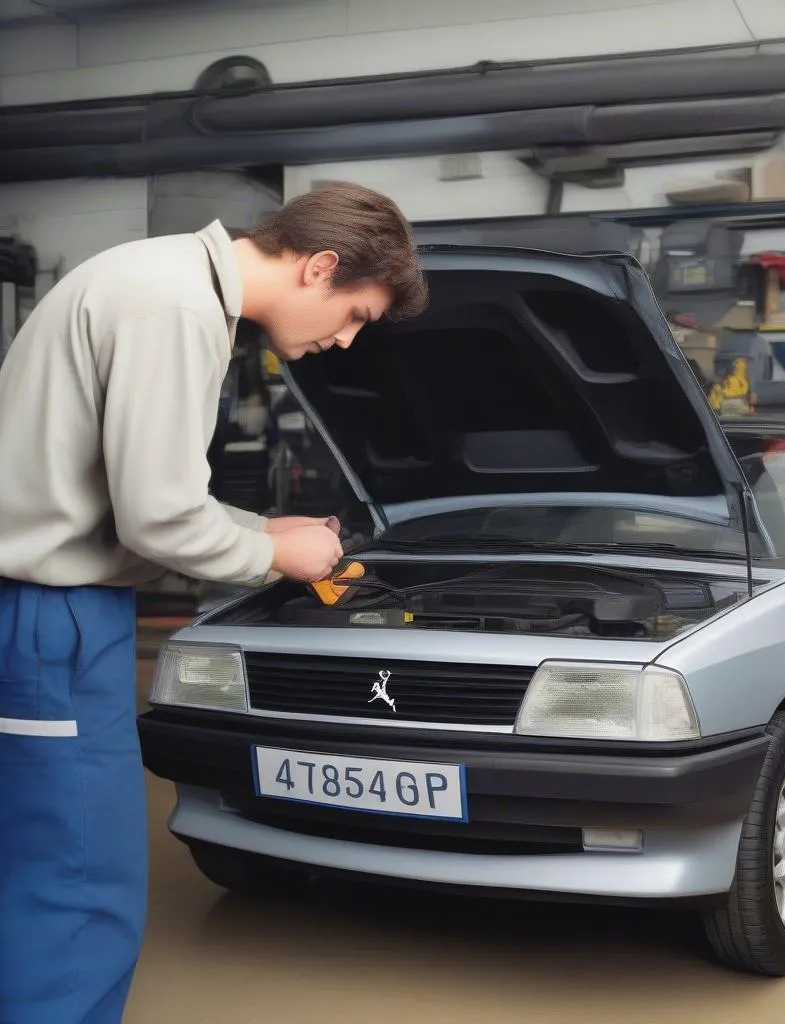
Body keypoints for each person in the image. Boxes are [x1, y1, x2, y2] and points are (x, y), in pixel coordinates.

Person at [0, 181, 428, 1024]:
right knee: (77, 884)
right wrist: (276, 551)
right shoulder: (176, 307)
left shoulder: (154, 277)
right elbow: (158, 515)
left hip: (44, 611)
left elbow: (143, 489)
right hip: (52, 619)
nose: (344, 341)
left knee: (39, 865)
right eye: (356, 316)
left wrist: (260, 525)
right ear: (320, 266)